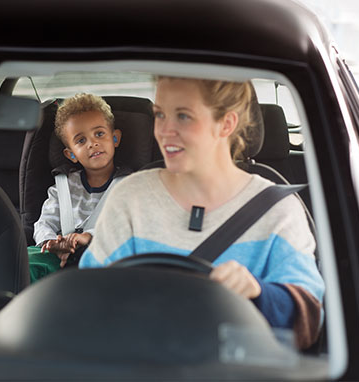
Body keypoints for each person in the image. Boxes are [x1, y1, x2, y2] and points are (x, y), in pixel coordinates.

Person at [79, 77, 325, 350]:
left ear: (227, 123)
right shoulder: (129, 198)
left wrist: (258, 292)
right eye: (160, 115)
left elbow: (309, 318)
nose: (164, 131)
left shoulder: (279, 211)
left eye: (183, 116)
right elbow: (88, 301)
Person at [28, 93, 131, 282]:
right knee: (25, 260)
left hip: (103, 255)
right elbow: (44, 223)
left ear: (115, 138)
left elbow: (126, 228)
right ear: (71, 154)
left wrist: (87, 237)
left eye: (99, 134)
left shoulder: (129, 186)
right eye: (81, 141)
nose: (92, 143)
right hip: (58, 255)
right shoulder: (63, 186)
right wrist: (51, 243)